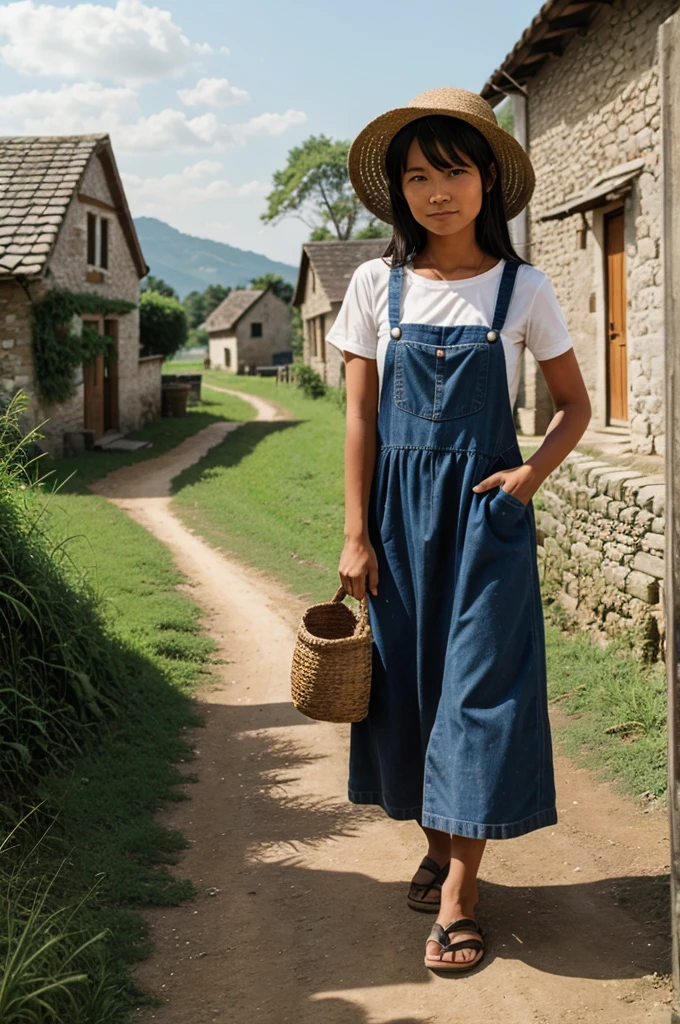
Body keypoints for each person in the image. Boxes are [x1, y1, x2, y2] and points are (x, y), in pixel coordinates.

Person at [325, 87, 592, 973]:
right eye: (417, 176)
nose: (437, 191)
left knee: (478, 693)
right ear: (398, 192)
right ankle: (439, 843)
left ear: (488, 182)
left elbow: (574, 406)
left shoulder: (524, 287)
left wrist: (526, 479)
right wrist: (356, 532)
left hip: (486, 525)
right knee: (412, 691)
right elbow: (360, 418)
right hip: (397, 528)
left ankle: (458, 893)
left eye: (454, 171)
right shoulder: (375, 284)